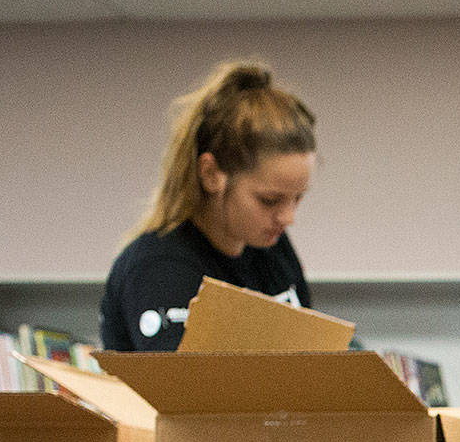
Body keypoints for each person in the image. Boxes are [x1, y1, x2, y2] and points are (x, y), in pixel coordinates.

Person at [100, 60, 316, 353]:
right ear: (212, 175)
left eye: (297, 198)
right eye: (270, 200)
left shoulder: (273, 251)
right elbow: (187, 394)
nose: (288, 217)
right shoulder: (158, 269)